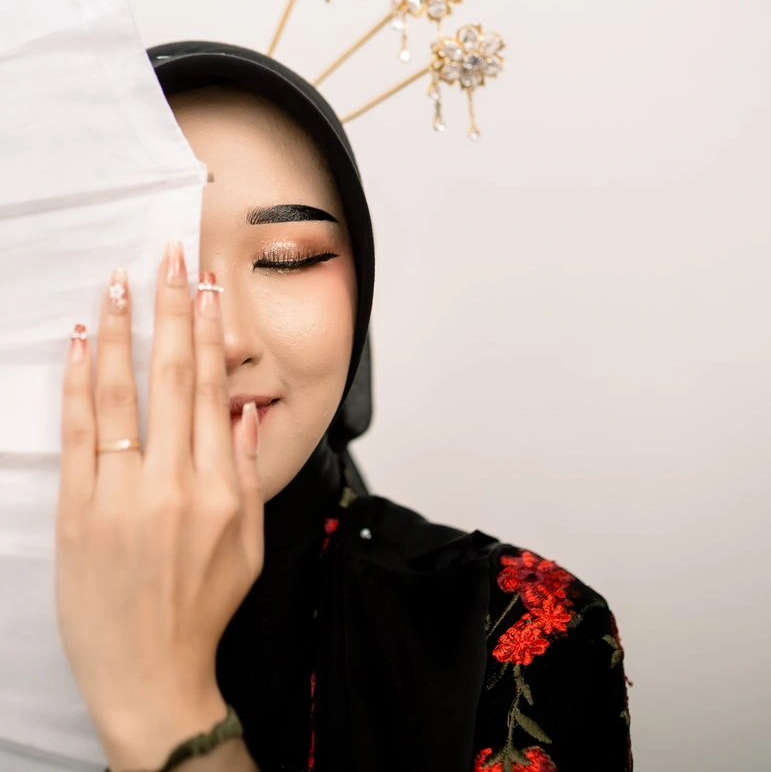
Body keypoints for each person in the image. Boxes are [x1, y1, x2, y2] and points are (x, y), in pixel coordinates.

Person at [56, 42, 632, 772]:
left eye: (287, 258)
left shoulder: (517, 628)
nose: (225, 340)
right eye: (158, 271)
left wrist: (164, 701)